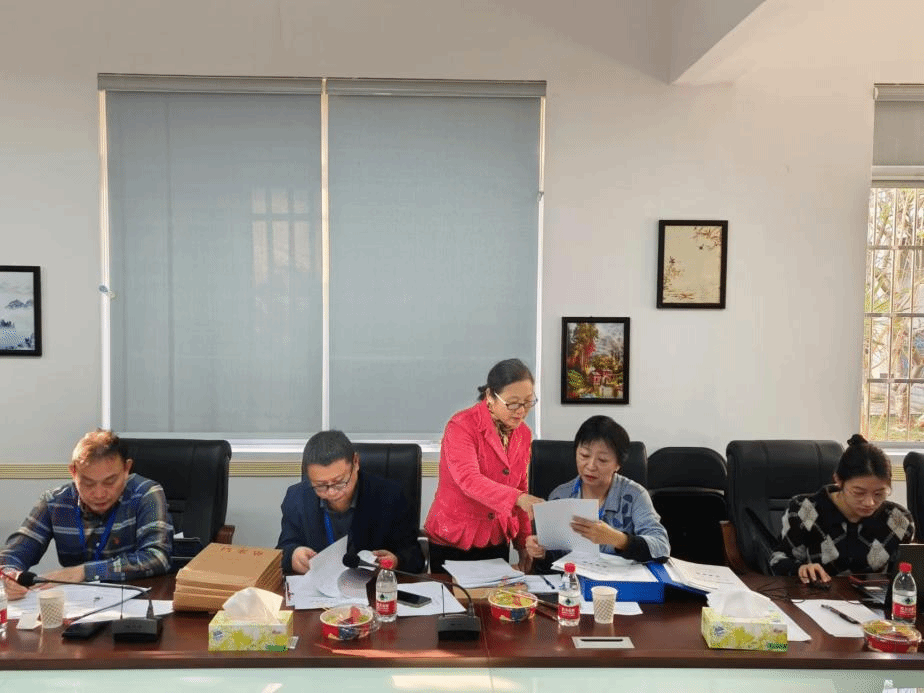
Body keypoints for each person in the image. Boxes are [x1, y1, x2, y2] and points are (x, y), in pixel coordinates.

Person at [0, 429, 173, 600]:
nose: (99, 494)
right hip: (77, 604)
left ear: (126, 469)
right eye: (88, 484)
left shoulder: (146, 494)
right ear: (73, 472)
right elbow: (13, 554)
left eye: (110, 482)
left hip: (137, 602)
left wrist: (83, 572)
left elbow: (157, 557)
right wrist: (10, 576)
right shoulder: (54, 502)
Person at [424, 358, 544, 573]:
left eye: (528, 402)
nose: (521, 411)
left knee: (498, 594)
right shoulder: (462, 426)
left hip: (496, 538)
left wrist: (523, 542)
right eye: (513, 403)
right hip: (453, 538)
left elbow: (521, 486)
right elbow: (468, 479)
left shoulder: (523, 434)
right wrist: (517, 498)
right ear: (490, 396)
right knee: (452, 594)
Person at [524, 415, 670, 565]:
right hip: (575, 578)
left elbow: (661, 546)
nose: (591, 466)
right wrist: (540, 552)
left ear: (618, 465)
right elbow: (554, 558)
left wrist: (617, 539)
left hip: (621, 577)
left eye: (602, 460)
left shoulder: (635, 495)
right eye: (584, 455)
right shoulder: (560, 496)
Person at [769, 434, 914, 583]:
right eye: (859, 492)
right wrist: (799, 569)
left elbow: (905, 574)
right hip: (815, 593)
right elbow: (777, 560)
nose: (869, 502)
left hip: (873, 596)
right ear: (838, 480)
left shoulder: (899, 519)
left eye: (879, 493)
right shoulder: (805, 509)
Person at [277, 430, 425, 575]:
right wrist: (293, 555)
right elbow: (283, 549)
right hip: (319, 587)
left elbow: (414, 556)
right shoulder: (296, 498)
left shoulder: (390, 496)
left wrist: (396, 561)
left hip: (373, 586)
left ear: (356, 462)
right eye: (320, 485)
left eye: (339, 482)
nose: (331, 492)